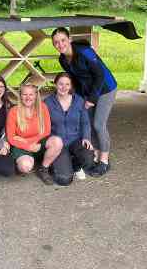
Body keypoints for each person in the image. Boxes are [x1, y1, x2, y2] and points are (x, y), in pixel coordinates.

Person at [51, 27, 117, 176]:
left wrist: (92, 99)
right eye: (56, 42)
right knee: (87, 122)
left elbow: (99, 75)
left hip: (106, 88)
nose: (60, 44)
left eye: (62, 40)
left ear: (69, 39)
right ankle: (96, 156)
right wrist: (78, 98)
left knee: (98, 124)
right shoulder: (62, 59)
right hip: (88, 91)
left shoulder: (84, 52)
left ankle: (105, 162)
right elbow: (75, 79)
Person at [6, 83, 62, 185]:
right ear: (20, 96)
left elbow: (47, 130)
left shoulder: (43, 107)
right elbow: (11, 138)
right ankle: (25, 162)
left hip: (38, 141)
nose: (28, 98)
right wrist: (28, 146)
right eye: (24, 94)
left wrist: (32, 142)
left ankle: (44, 168)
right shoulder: (13, 111)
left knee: (57, 142)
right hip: (21, 146)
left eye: (31, 94)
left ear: (36, 95)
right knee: (25, 166)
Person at [45, 72, 95, 185]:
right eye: (60, 84)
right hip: (58, 143)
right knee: (64, 179)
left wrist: (86, 137)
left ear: (71, 86)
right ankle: (59, 163)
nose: (64, 87)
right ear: (55, 84)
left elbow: (85, 122)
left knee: (88, 159)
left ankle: (75, 165)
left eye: (67, 84)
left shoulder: (79, 100)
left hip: (75, 139)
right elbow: (43, 126)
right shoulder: (47, 102)